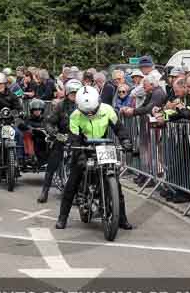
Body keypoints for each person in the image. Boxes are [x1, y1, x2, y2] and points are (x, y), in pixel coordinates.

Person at [54, 86, 133, 230]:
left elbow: (119, 128)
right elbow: (74, 136)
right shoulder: (75, 116)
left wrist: (125, 141)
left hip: (104, 145)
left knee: (115, 182)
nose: (90, 113)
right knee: (73, 181)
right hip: (83, 146)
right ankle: (62, 218)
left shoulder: (108, 110)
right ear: (79, 107)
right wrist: (77, 149)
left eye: (93, 110)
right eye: (86, 111)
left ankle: (121, 219)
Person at [38, 79, 82, 203]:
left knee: (84, 163)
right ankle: (45, 190)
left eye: (76, 93)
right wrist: (54, 133)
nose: (74, 95)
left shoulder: (84, 105)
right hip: (63, 137)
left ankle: (81, 191)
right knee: (53, 160)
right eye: (72, 93)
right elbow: (48, 121)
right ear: (67, 93)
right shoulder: (60, 106)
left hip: (79, 139)